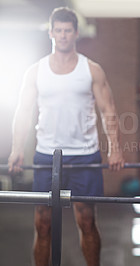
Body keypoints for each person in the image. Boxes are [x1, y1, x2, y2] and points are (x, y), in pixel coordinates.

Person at [7, 7, 124, 266]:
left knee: (86, 220)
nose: (62, 35)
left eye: (67, 30)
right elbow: (23, 112)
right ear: (51, 32)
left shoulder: (91, 70)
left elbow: (109, 111)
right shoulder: (35, 72)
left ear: (76, 33)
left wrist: (115, 148)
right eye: (58, 30)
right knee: (43, 222)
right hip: (47, 155)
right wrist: (16, 149)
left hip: (84, 156)